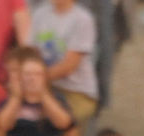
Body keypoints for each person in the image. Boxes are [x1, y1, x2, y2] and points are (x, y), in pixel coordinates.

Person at [29, 0, 97, 128]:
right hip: (45, 85)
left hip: (76, 91)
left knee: (64, 128)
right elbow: (31, 53)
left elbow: (69, 66)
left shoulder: (82, 19)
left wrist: (34, 79)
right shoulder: (39, 14)